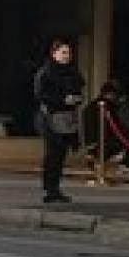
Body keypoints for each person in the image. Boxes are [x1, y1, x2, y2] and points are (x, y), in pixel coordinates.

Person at [33, 38, 86, 203]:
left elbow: (79, 89)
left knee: (62, 154)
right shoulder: (46, 72)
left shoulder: (73, 72)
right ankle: (50, 188)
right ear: (54, 53)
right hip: (50, 117)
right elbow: (41, 95)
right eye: (63, 52)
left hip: (68, 119)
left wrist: (75, 99)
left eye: (68, 53)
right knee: (52, 154)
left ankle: (55, 188)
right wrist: (62, 100)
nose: (66, 56)